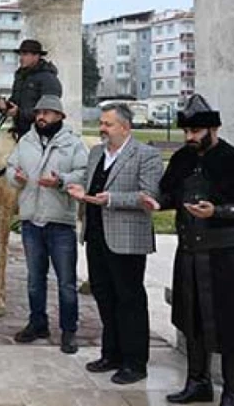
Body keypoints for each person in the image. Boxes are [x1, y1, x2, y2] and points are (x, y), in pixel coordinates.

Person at [140, 95, 234, 406]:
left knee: (233, 323)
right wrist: (158, 204)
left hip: (227, 257)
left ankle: (232, 393)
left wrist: (218, 211)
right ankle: (198, 384)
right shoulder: (182, 158)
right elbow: (171, 194)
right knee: (192, 320)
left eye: (195, 132)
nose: (189, 137)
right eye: (186, 132)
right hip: (190, 254)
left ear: (214, 128)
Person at [66, 103, 162, 385]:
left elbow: (148, 195)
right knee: (105, 296)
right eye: (102, 123)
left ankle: (135, 362)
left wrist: (111, 199)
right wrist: (77, 189)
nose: (102, 128)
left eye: (108, 124)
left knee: (129, 300)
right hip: (96, 237)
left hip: (127, 240)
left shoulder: (146, 155)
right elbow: (87, 182)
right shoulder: (96, 152)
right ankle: (112, 354)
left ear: (125, 127)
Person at [5, 95, 89, 354]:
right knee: (34, 279)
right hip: (32, 220)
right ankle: (37, 322)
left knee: (65, 281)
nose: (41, 117)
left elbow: (83, 173)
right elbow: (10, 168)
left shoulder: (73, 144)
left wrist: (61, 181)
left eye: (48, 113)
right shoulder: (26, 142)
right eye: (39, 112)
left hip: (59, 221)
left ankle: (69, 330)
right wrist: (16, 177)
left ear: (60, 117)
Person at [0, 39, 63, 139]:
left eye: (25, 54)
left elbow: (49, 110)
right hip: (20, 132)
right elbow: (15, 101)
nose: (21, 58)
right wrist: (5, 107)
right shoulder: (20, 77)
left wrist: (19, 113)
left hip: (42, 135)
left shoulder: (48, 79)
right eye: (20, 54)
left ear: (36, 56)